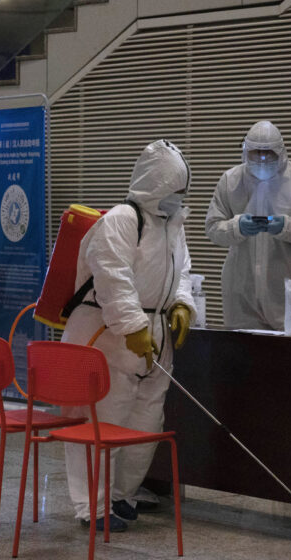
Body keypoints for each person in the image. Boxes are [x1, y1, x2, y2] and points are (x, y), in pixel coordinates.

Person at [61, 139, 196, 532]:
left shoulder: (173, 224)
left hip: (155, 334)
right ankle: (92, 507)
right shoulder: (121, 220)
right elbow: (112, 278)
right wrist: (133, 326)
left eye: (183, 191)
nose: (178, 198)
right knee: (103, 420)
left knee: (145, 424)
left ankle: (121, 495)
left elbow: (182, 271)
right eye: (173, 190)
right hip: (107, 334)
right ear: (155, 184)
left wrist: (182, 304)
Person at [205, 120, 291, 329]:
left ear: (281, 152)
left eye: (268, 153)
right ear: (246, 152)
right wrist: (237, 227)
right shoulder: (230, 180)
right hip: (242, 295)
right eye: (256, 153)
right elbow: (213, 227)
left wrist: (286, 226)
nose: (262, 159)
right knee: (244, 347)